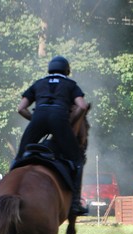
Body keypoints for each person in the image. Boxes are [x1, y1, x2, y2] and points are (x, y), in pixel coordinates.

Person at [14, 55, 89, 216]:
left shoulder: (38, 83)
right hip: (59, 120)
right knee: (76, 160)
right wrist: (69, 123)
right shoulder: (70, 84)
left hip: (38, 117)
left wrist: (35, 119)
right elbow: (82, 106)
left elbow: (20, 108)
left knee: (19, 156)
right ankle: (75, 203)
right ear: (66, 71)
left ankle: (7, 192)